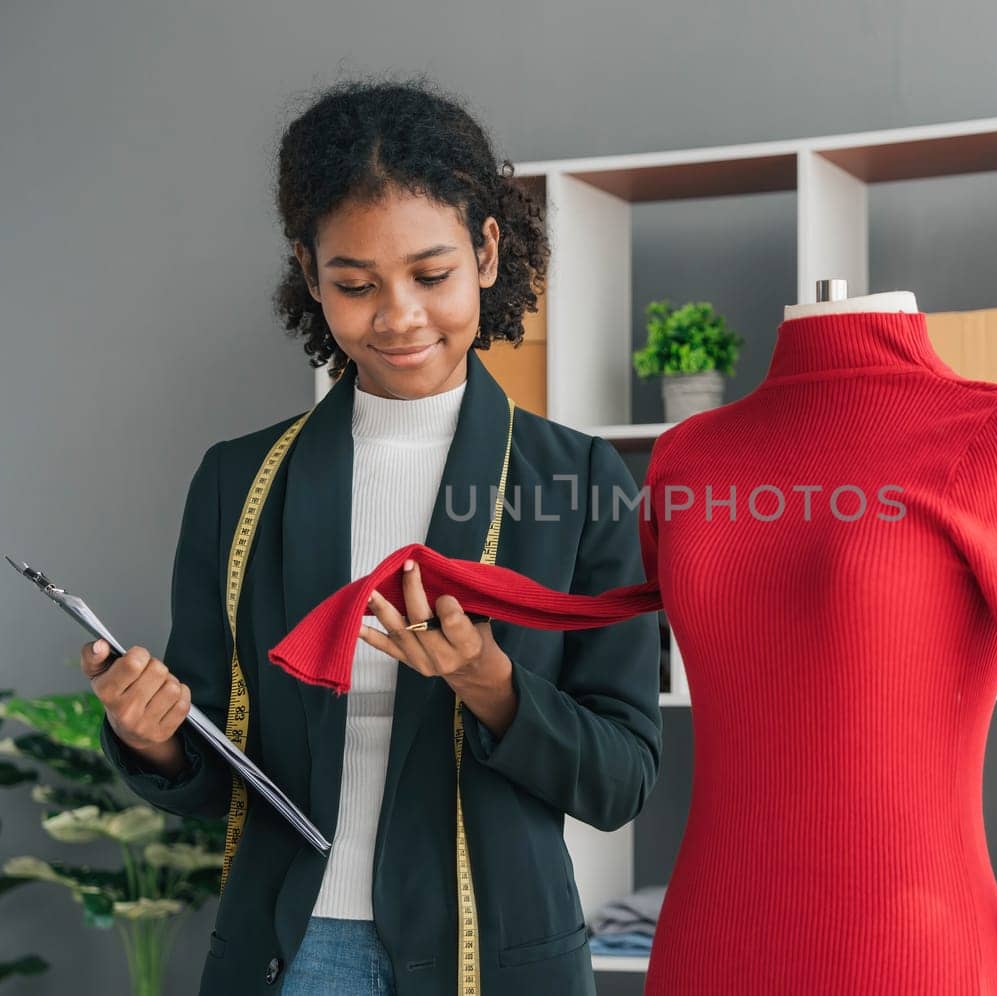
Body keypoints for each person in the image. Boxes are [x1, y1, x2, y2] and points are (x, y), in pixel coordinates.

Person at [79, 76, 661, 995]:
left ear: (487, 252)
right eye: (355, 284)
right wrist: (149, 734)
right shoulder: (239, 482)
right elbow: (209, 771)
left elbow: (622, 777)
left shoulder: (580, 482)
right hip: (297, 949)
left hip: (493, 952)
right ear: (311, 277)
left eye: (431, 275)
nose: (398, 316)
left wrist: (492, 685)